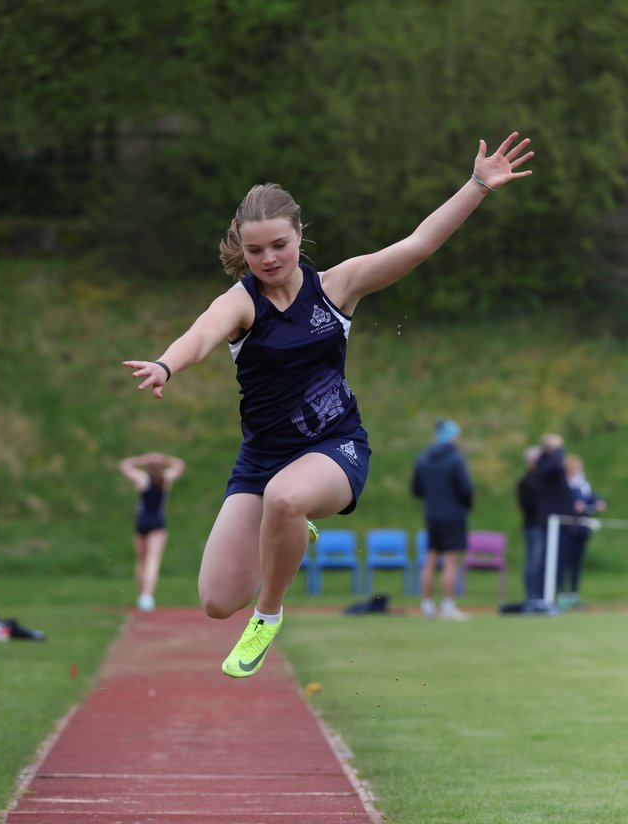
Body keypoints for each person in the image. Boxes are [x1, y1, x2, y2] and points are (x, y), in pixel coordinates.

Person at [123, 131, 533, 676]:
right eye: (254, 250)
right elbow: (201, 334)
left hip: (335, 446)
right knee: (218, 600)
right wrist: (167, 364)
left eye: (278, 245)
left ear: (299, 235)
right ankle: (289, 528)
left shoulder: (337, 288)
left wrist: (477, 186)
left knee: (287, 497)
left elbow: (415, 246)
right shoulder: (241, 302)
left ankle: (268, 617)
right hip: (263, 459)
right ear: (240, 250)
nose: (267, 258)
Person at [411, 419, 474, 620]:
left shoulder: (423, 458)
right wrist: (464, 505)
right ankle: (447, 605)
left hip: (432, 514)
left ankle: (427, 605)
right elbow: (466, 489)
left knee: (430, 558)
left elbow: (416, 489)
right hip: (453, 514)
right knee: (451, 560)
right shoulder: (456, 458)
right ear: (452, 436)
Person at [119, 451, 186, 611]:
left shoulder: (142, 479)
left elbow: (125, 465)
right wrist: (164, 459)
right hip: (157, 522)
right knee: (152, 561)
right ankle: (146, 597)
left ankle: (141, 595)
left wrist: (142, 459)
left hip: (141, 521)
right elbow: (179, 465)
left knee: (141, 561)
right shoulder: (165, 479)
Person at [559, 454, 607, 606]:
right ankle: (561, 593)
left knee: (576, 563)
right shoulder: (564, 485)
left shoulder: (583, 485)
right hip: (567, 530)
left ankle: (573, 594)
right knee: (562, 562)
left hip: (581, 530)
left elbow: (591, 498)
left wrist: (599, 502)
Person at [533, 432, 573, 599]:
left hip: (561, 519)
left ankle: (556, 593)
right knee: (545, 560)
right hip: (550, 520)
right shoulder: (543, 462)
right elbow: (555, 466)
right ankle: (541, 595)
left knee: (560, 559)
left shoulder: (552, 462)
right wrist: (557, 449)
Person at [516, 445, 543, 600]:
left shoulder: (542, 480)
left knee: (540, 563)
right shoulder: (526, 481)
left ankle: (540, 594)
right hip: (533, 526)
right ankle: (532, 595)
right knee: (533, 563)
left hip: (542, 526)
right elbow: (526, 505)